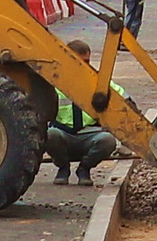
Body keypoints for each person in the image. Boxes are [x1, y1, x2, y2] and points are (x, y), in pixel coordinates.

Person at [46, 39, 120, 185]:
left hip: (89, 136)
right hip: (63, 136)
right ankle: (63, 168)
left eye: (87, 61)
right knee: (50, 135)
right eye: (81, 62)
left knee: (107, 140)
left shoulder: (97, 83)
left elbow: (125, 103)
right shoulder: (54, 83)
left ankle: (84, 169)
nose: (85, 66)